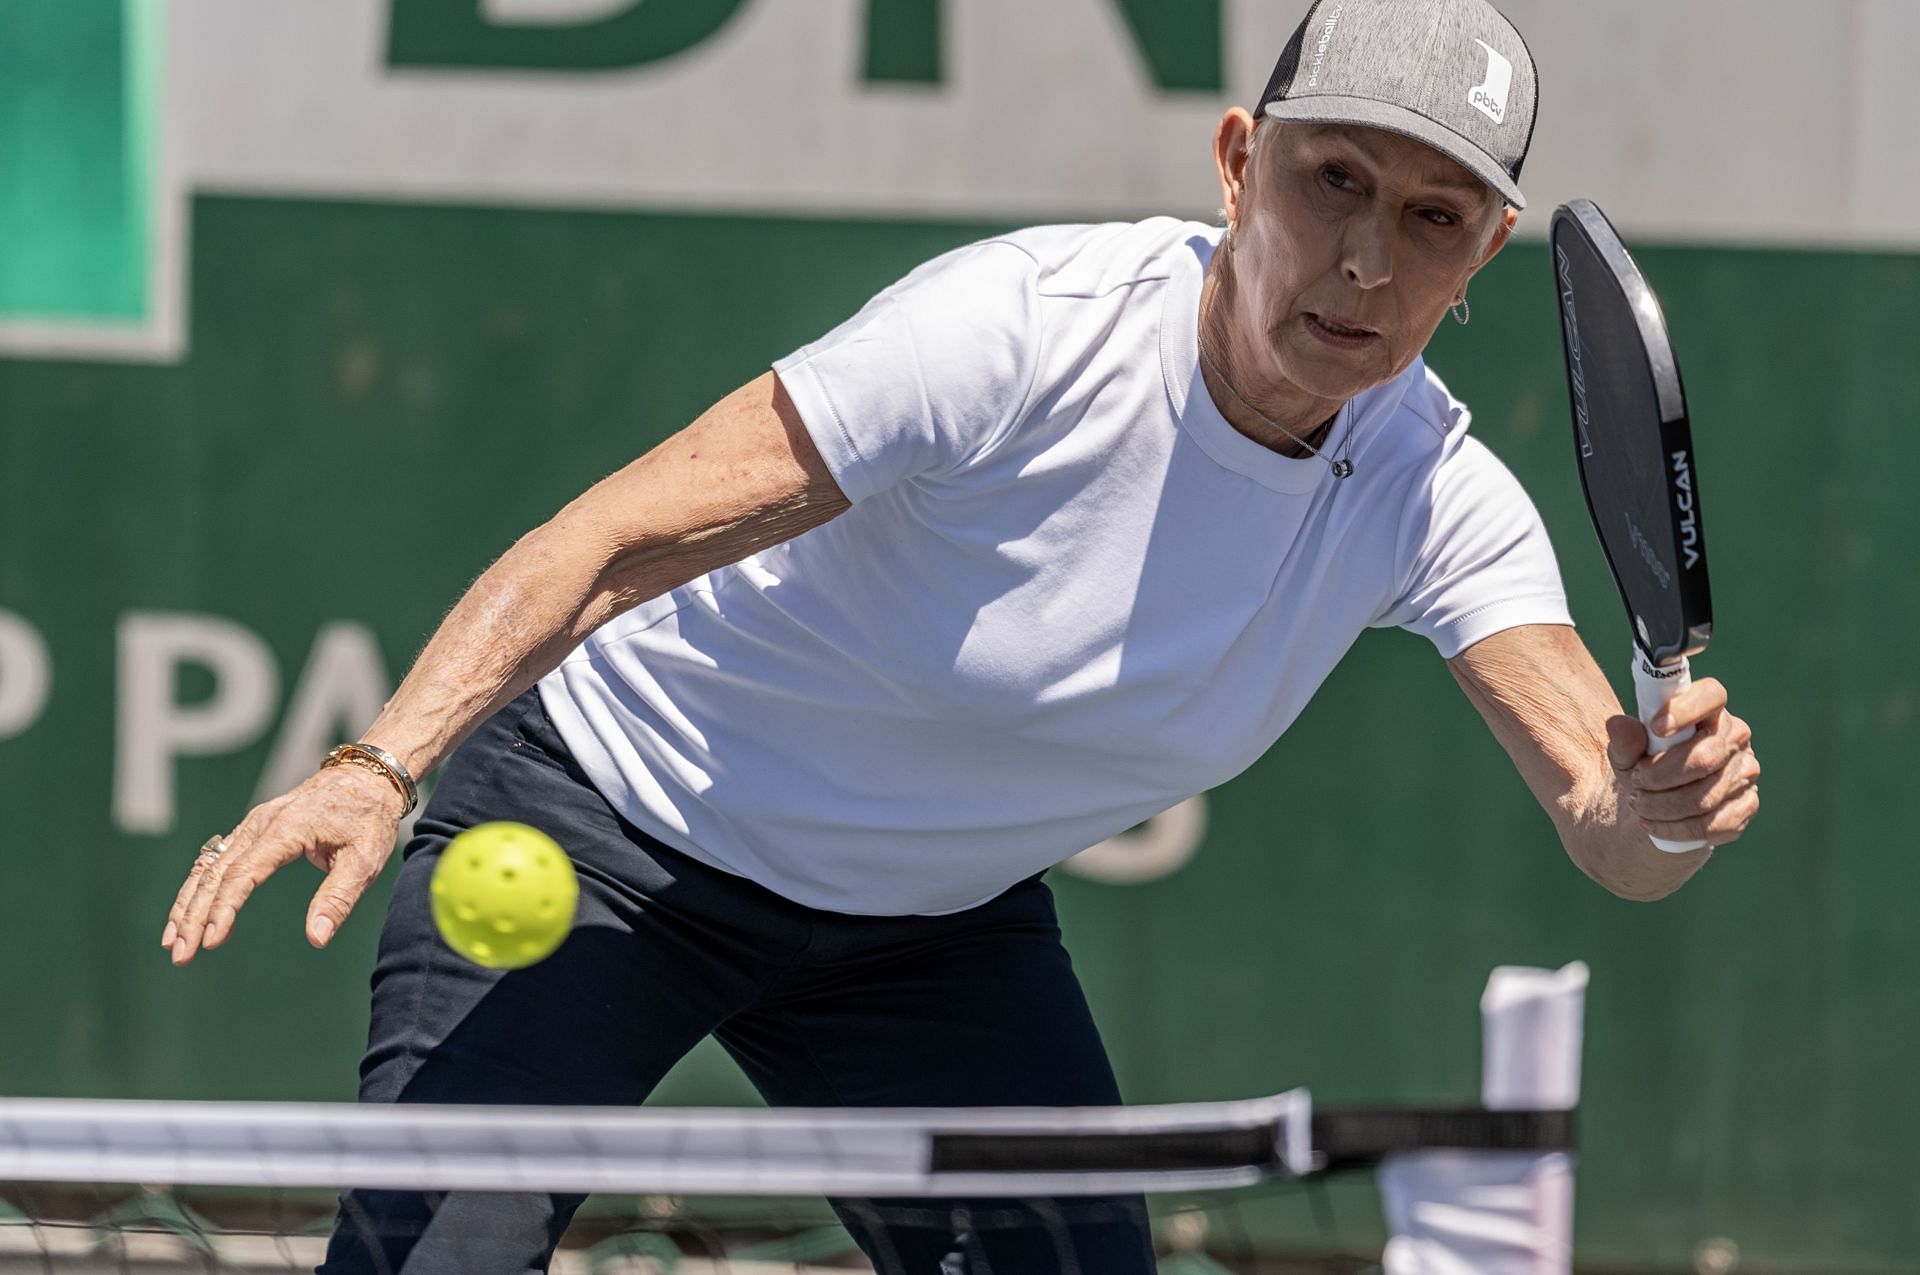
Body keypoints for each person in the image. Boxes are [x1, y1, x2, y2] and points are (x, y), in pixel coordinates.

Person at [161, 0, 1760, 1270]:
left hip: (924, 931)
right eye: (1329, 178)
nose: (1362, 258)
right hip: (609, 836)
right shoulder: (1018, 333)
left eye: (1429, 217)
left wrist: (1670, 808)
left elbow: (1613, 831)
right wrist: (382, 763)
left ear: (1482, 254)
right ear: (1234, 164)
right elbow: (607, 541)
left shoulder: (1435, 497)